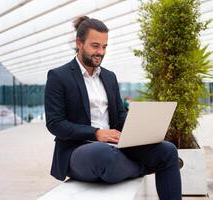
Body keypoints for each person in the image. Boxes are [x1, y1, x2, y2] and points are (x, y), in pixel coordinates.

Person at [44, 16, 182, 200]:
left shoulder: (109, 77)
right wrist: (96, 133)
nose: (100, 52)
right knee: (104, 155)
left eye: (104, 46)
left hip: (116, 145)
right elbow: (55, 123)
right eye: (95, 46)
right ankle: (153, 165)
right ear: (79, 43)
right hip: (80, 150)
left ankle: (158, 161)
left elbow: (118, 116)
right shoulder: (58, 77)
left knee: (168, 150)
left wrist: (139, 127)